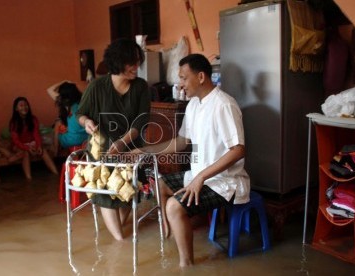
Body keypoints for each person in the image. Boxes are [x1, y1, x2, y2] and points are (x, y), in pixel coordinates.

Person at [132, 54, 250, 267]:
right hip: (198, 176)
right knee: (159, 185)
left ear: (201, 76)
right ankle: (172, 230)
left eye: (184, 78)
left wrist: (201, 177)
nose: (180, 84)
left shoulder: (224, 105)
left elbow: (238, 150)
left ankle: (186, 265)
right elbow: (181, 141)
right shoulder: (194, 104)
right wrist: (144, 151)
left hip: (223, 182)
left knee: (173, 207)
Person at [76, 38, 151, 241]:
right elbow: (80, 114)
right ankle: (120, 241)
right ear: (117, 63)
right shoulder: (97, 87)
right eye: (131, 63)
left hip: (131, 148)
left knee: (129, 192)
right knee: (105, 192)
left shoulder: (141, 87)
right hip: (102, 151)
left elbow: (141, 122)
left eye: (138, 62)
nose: (136, 68)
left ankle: (119, 237)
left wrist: (122, 143)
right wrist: (87, 122)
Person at [9, 96, 58, 180]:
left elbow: (36, 134)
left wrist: (38, 145)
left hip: (32, 143)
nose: (24, 107)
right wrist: (27, 148)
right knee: (26, 154)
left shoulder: (33, 119)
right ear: (16, 109)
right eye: (21, 105)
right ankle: (29, 178)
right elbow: (16, 140)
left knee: (43, 151)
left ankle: (56, 173)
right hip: (19, 145)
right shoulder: (14, 122)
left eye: (26, 105)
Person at [47, 81, 88, 155]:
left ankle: (55, 150)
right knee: (61, 124)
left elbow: (49, 90)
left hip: (73, 140)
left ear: (63, 95)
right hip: (86, 138)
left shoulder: (67, 104)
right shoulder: (83, 102)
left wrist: (64, 81)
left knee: (57, 126)